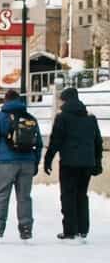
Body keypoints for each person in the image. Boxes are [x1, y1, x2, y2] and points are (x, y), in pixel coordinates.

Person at [0, 88, 43, 241]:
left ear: (5, 100)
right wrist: (35, 162)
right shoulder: (30, 118)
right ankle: (26, 230)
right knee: (25, 197)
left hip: (6, 163)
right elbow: (39, 144)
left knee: (2, 195)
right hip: (27, 163)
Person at [44, 87, 104, 241]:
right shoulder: (91, 118)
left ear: (65, 100)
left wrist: (48, 159)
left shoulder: (62, 117)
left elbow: (56, 141)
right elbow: (98, 142)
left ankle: (70, 231)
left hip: (69, 164)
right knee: (82, 195)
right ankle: (83, 230)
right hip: (87, 164)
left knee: (68, 196)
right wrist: (97, 162)